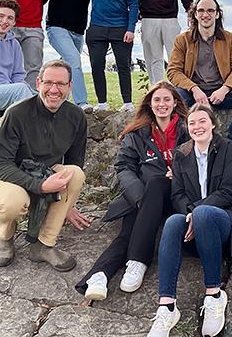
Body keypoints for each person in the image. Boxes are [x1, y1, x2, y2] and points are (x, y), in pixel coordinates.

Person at [146, 104, 232, 337]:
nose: (197, 127)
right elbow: (177, 194)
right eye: (192, 123)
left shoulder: (229, 150)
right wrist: (190, 215)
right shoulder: (181, 154)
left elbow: (230, 191)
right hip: (193, 224)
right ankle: (167, 307)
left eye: (202, 121)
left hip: (227, 222)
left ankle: (215, 295)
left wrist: (196, 211)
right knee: (172, 222)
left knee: (203, 214)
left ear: (213, 124)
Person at [76, 81, 190, 300]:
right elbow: (124, 167)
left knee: (157, 182)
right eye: (157, 99)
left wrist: (180, 174)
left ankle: (138, 261)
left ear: (175, 103)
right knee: (127, 232)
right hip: (143, 197)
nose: (162, 104)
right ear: (150, 103)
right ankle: (98, 276)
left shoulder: (188, 129)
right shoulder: (137, 134)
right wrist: (139, 198)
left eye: (167, 99)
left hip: (176, 195)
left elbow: (207, 154)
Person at [0, 59, 91, 270]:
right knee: (12, 202)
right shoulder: (16, 113)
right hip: (9, 177)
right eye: (48, 82)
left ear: (70, 86)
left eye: (61, 84)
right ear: (38, 83)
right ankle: (5, 236)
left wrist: (67, 205)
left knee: (75, 174)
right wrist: (40, 187)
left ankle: (43, 245)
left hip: (44, 174)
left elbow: (73, 163)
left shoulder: (76, 116)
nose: (54, 90)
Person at [167, 0, 232, 162]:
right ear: (195, 14)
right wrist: (194, 89)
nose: (205, 14)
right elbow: (173, 71)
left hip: (221, 90)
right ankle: (188, 143)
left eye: (210, 10)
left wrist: (225, 89)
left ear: (217, 14)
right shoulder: (183, 40)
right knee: (176, 97)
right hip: (193, 91)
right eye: (201, 10)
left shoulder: (229, 38)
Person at [83, 0, 139, 113]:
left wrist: (131, 29)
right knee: (96, 65)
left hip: (120, 27)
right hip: (97, 26)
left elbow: (134, 3)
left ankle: (128, 103)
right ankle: (102, 103)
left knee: (124, 65)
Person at [43, 0, 92, 109]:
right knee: (74, 61)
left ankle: (58, 99)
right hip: (56, 28)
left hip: (78, 32)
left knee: (66, 67)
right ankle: (81, 103)